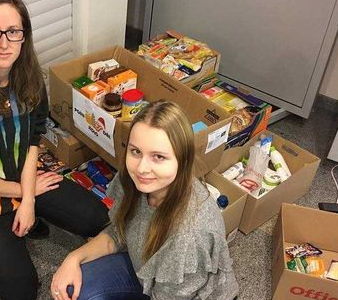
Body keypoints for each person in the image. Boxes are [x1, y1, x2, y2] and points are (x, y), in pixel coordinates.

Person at [0, 1, 109, 299]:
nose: (4, 43)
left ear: (24, 35)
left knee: (96, 217)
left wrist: (28, 198)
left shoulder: (29, 78)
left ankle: (27, 216)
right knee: (21, 291)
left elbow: (32, 141)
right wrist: (23, 194)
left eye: (13, 31)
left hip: (25, 180)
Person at [51, 100, 239, 300]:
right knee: (73, 291)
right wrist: (73, 258)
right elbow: (118, 231)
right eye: (136, 151)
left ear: (183, 160)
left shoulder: (190, 233)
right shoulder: (135, 180)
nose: (141, 168)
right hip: (144, 270)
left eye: (158, 157)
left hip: (175, 295)